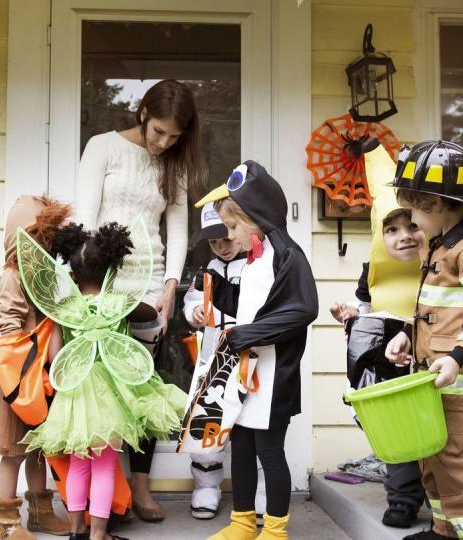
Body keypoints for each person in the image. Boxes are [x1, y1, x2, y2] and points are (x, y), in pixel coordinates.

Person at [75, 78, 206, 521]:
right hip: (105, 288)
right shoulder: (103, 148)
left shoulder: (174, 164)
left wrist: (171, 286)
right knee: (104, 392)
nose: (164, 143)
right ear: (143, 114)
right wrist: (90, 289)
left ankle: (141, 487)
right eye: (159, 133)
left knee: (143, 389)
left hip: (150, 290)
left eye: (174, 137)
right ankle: (103, 498)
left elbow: (178, 228)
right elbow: (84, 219)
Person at [17, 221, 187, 540]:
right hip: (111, 397)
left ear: (73, 275)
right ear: (111, 270)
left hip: (76, 397)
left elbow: (54, 355)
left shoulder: (65, 309)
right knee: (105, 465)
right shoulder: (119, 304)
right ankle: (98, 534)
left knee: (80, 465)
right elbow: (150, 313)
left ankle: (77, 529)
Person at [384, 140, 463, 540]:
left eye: (416, 210)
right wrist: (408, 335)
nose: (414, 221)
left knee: (457, 464)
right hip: (433, 380)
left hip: (460, 384)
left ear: (438, 204)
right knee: (432, 460)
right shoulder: (442, 246)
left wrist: (457, 356)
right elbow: (440, 310)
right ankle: (444, 531)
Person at [194, 162, 319, 540]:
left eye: (233, 228)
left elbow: (303, 308)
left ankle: (276, 530)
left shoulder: (288, 254)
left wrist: (249, 334)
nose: (230, 236)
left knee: (270, 452)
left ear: (256, 217)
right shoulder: (254, 258)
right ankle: (243, 523)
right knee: (242, 449)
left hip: (274, 374)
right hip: (244, 371)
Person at [0, 195, 73, 540]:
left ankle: (41, 512)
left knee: (40, 448)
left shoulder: (43, 276)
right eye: (40, 240)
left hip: (43, 376)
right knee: (14, 453)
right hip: (21, 379)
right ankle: (6, 522)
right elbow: (9, 322)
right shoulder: (13, 275)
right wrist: (25, 350)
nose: (46, 248)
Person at [329, 144, 426, 528]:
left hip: (430, 358)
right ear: (379, 235)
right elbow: (366, 306)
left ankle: (434, 494)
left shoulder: (436, 267)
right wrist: (353, 316)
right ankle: (402, 498)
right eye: (391, 229)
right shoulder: (373, 272)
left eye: (411, 226)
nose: (403, 237)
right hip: (386, 364)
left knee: (434, 433)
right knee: (394, 429)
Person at [181, 203, 266, 522]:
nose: (221, 247)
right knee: (207, 426)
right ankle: (206, 488)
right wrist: (194, 313)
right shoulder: (207, 272)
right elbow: (191, 302)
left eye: (226, 239)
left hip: (254, 357)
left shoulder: (259, 266)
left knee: (256, 427)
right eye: (214, 242)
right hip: (215, 358)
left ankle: (260, 495)